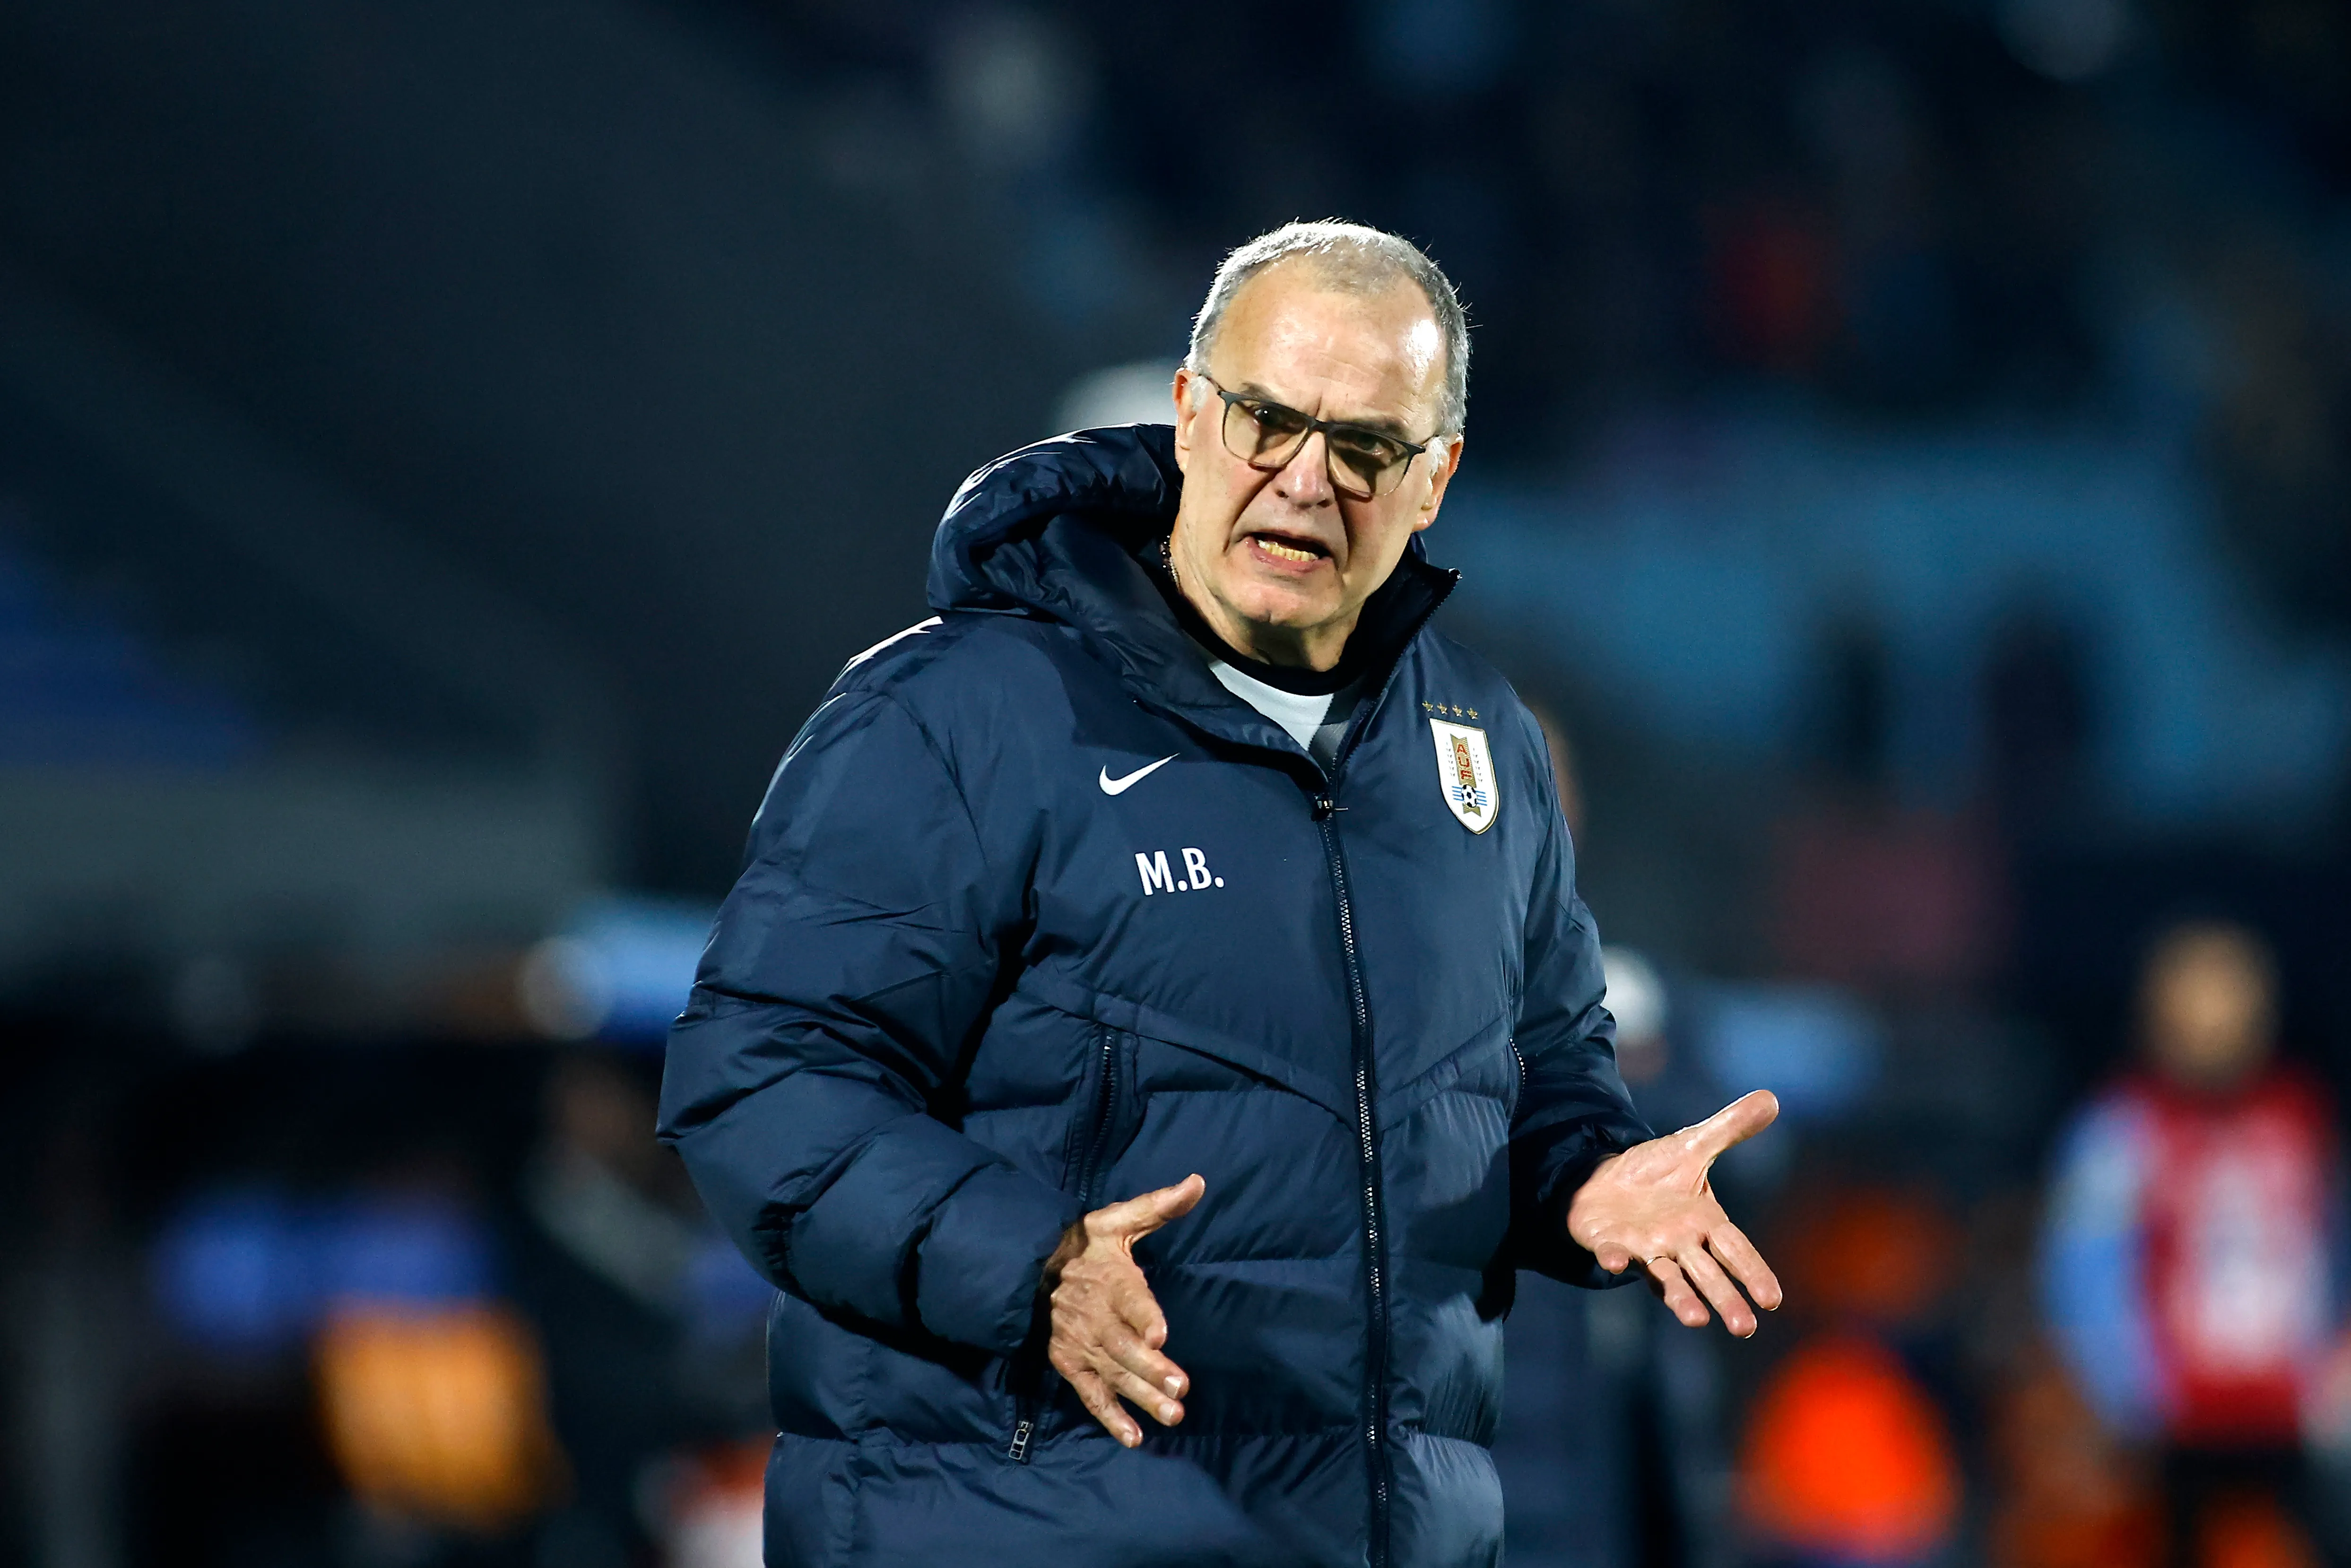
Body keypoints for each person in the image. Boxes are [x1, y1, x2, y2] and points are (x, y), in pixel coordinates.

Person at [658, 220, 1782, 1568]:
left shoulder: (1479, 745)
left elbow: (1539, 1064)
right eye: (1268, 420)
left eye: (1364, 446)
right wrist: (1027, 1261)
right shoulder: (956, 714)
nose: (1304, 480)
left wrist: (1583, 1174)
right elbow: (760, 1072)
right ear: (1189, 414)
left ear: (1433, 479)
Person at [2042, 919, 2342, 1567]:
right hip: (2176, 1423)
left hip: (2290, 1415)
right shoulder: (2125, 1127)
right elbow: (2084, 1271)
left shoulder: (2299, 1114)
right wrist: (2129, 1393)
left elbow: (2328, 1245)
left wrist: (2330, 1368)